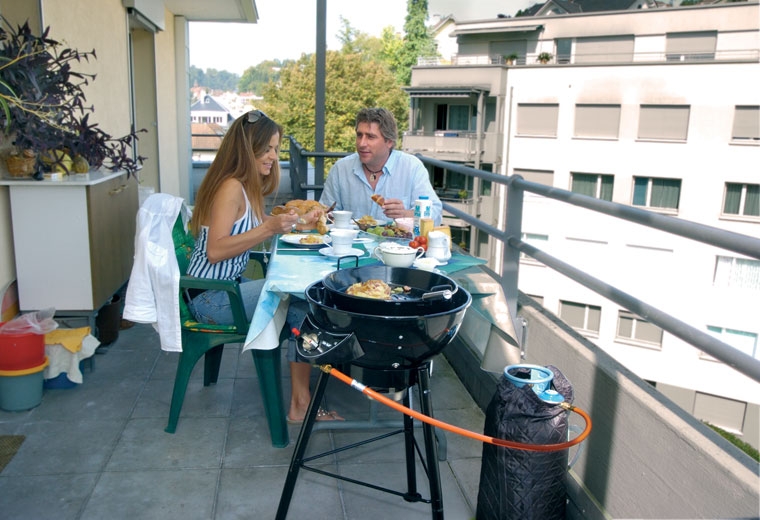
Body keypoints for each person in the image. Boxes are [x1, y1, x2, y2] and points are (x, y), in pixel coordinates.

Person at [187, 110, 342, 424]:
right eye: (267, 148)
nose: (273, 156)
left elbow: (260, 226)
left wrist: (300, 221)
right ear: (248, 147)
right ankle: (301, 402)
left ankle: (301, 401)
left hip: (228, 287)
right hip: (211, 299)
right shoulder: (230, 188)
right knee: (305, 300)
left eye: (276, 148)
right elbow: (216, 250)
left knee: (302, 301)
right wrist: (268, 229)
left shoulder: (243, 186)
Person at [319, 107, 442, 225]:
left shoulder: (411, 167)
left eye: (370, 137)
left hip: (395, 240)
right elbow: (326, 213)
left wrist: (405, 214)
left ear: (389, 142)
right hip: (351, 239)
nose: (361, 143)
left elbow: (435, 214)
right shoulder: (341, 169)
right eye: (359, 135)